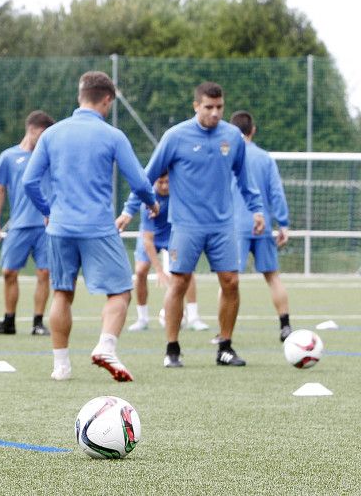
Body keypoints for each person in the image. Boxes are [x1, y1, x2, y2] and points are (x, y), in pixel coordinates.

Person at [22, 71, 158, 382]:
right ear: (107, 100)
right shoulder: (112, 135)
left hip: (60, 227)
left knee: (62, 293)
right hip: (97, 226)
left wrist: (48, 210)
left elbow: (29, 181)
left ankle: (61, 367)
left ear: (80, 96)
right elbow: (138, 181)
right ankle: (106, 346)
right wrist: (151, 203)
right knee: (122, 291)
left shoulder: (52, 135)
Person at [141, 82, 265, 369]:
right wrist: (130, 209)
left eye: (219, 107)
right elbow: (147, 176)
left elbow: (245, 180)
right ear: (196, 106)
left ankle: (225, 347)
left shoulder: (233, 137)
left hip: (222, 226)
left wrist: (257, 210)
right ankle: (172, 349)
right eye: (208, 107)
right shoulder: (175, 136)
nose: (215, 113)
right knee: (179, 283)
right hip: (185, 226)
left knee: (231, 282)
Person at [0, 110, 54, 337]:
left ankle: (38, 322)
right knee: (8, 272)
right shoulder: (8, 157)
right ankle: (9, 321)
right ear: (31, 130)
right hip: (19, 225)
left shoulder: (50, 157)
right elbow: (0, 189)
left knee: (44, 273)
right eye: (42, 134)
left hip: (45, 226)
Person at [229, 110, 293, 342]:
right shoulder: (265, 158)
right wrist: (283, 223)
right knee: (273, 277)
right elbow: (276, 192)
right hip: (263, 224)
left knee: (229, 280)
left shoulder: (227, 156)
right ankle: (285, 325)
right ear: (252, 130)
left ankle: (224, 333)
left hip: (236, 226)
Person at [115, 174, 200, 331]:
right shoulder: (148, 200)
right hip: (150, 235)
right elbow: (147, 240)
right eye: (160, 182)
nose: (164, 186)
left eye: (167, 182)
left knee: (186, 270)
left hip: (171, 234)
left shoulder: (179, 194)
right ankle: (142, 319)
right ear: (154, 182)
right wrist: (159, 270)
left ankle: (194, 317)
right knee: (140, 271)